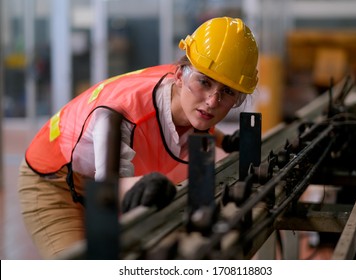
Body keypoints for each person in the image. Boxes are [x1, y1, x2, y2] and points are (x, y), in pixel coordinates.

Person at [18, 16, 259, 259]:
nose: (212, 102)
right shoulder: (120, 115)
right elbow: (108, 188)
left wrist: (225, 141)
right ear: (179, 75)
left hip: (98, 179)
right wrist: (142, 184)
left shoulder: (192, 99)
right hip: (55, 180)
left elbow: (199, 121)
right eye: (205, 83)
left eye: (228, 92)